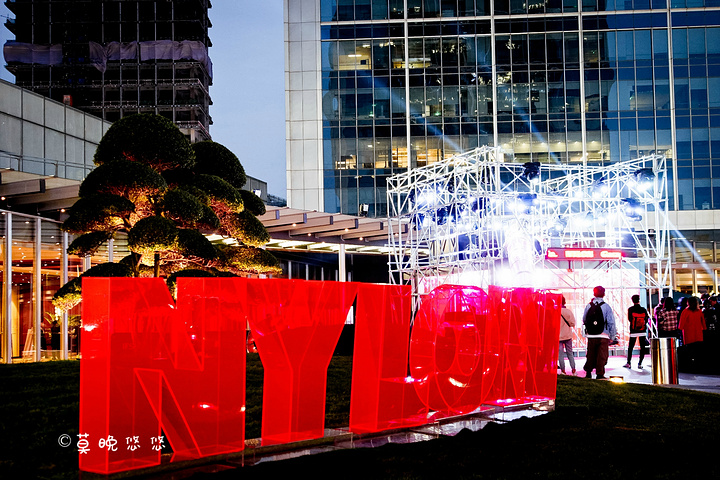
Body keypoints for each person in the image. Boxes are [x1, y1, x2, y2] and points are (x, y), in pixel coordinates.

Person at [583, 285, 617, 380]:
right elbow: (611, 322)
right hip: (603, 335)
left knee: (590, 354)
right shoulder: (606, 307)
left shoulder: (589, 305)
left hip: (591, 335)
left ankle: (588, 372)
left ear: (594, 294)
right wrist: (612, 336)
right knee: (602, 355)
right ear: (604, 294)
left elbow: (584, 319)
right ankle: (600, 374)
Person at [624, 294, 649, 369]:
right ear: (639, 300)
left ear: (632, 300)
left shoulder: (630, 309)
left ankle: (629, 362)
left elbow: (630, 319)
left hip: (633, 330)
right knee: (642, 347)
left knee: (631, 347)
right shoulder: (643, 309)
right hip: (642, 330)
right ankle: (640, 363)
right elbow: (646, 320)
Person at [558, 296, 576, 375]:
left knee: (560, 354)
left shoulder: (555, 312)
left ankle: (563, 370)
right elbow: (572, 323)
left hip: (559, 336)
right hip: (568, 335)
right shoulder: (568, 311)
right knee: (570, 353)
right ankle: (573, 369)